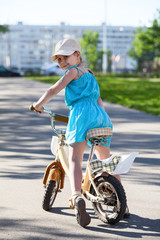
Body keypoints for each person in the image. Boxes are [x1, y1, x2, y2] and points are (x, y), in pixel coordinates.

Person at [32, 38, 129, 227]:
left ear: (78, 55)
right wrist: (103, 118)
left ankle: (76, 196)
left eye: (65, 57)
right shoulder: (91, 74)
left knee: (76, 158)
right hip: (101, 117)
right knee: (106, 162)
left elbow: (54, 89)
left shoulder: (72, 71)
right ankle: (123, 205)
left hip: (81, 116)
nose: (62, 62)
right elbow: (99, 100)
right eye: (58, 59)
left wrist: (38, 105)